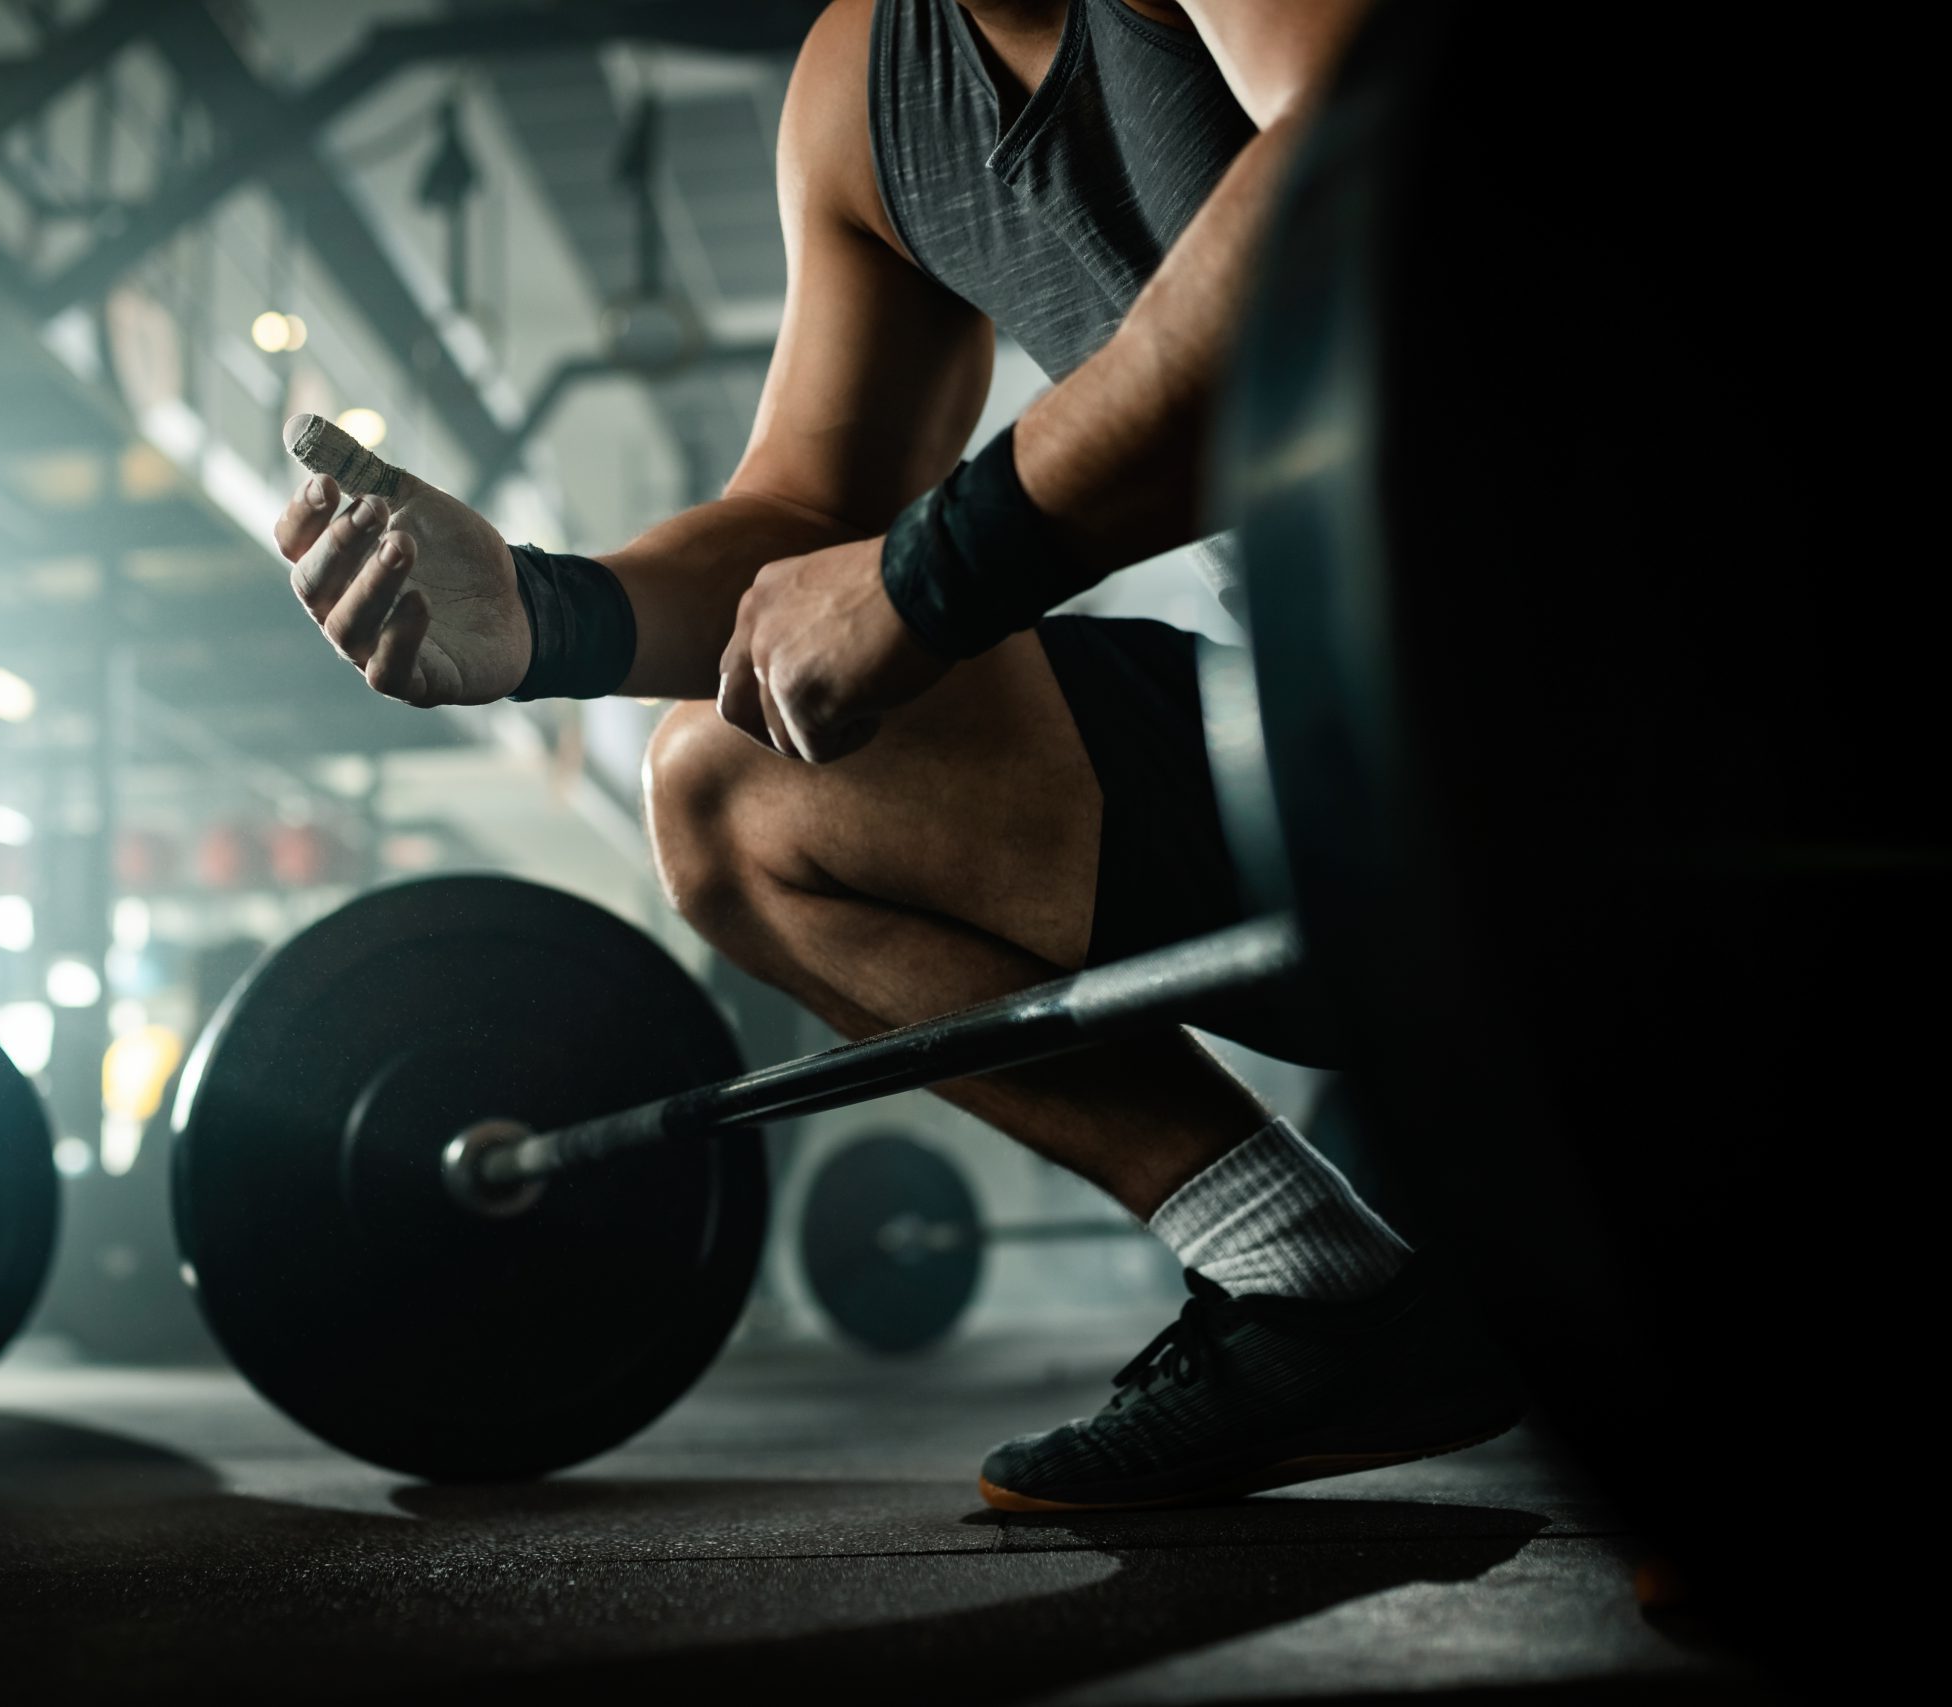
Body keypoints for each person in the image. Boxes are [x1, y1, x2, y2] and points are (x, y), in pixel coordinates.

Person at [266, 0, 1519, 1510]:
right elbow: (810, 519)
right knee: (734, 793)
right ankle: (1323, 1297)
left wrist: (937, 571)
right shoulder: (863, 84)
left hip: (1652, 688)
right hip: (1353, 770)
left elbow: (1358, 172)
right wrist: (552, 611)